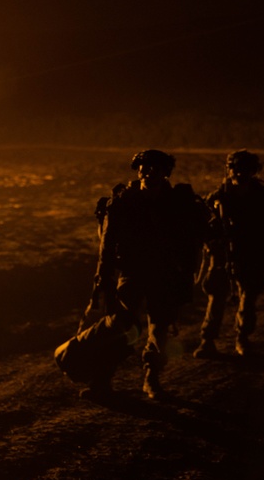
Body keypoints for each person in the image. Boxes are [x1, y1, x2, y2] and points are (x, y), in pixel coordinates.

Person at [58, 149, 212, 400]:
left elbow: (196, 237)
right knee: (122, 328)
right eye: (144, 167)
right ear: (137, 169)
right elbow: (106, 244)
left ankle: (151, 379)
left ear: (166, 172)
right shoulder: (123, 202)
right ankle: (102, 381)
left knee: (159, 329)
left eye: (156, 168)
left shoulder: (178, 203)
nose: (149, 172)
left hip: (166, 273)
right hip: (133, 272)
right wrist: (103, 277)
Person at [194, 150, 264, 359]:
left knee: (248, 298)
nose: (239, 173)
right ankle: (207, 340)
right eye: (235, 168)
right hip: (224, 254)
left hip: (252, 253)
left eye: (245, 168)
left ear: (253, 171)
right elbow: (205, 227)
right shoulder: (219, 197)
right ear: (229, 169)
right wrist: (213, 241)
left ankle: (242, 337)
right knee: (216, 297)